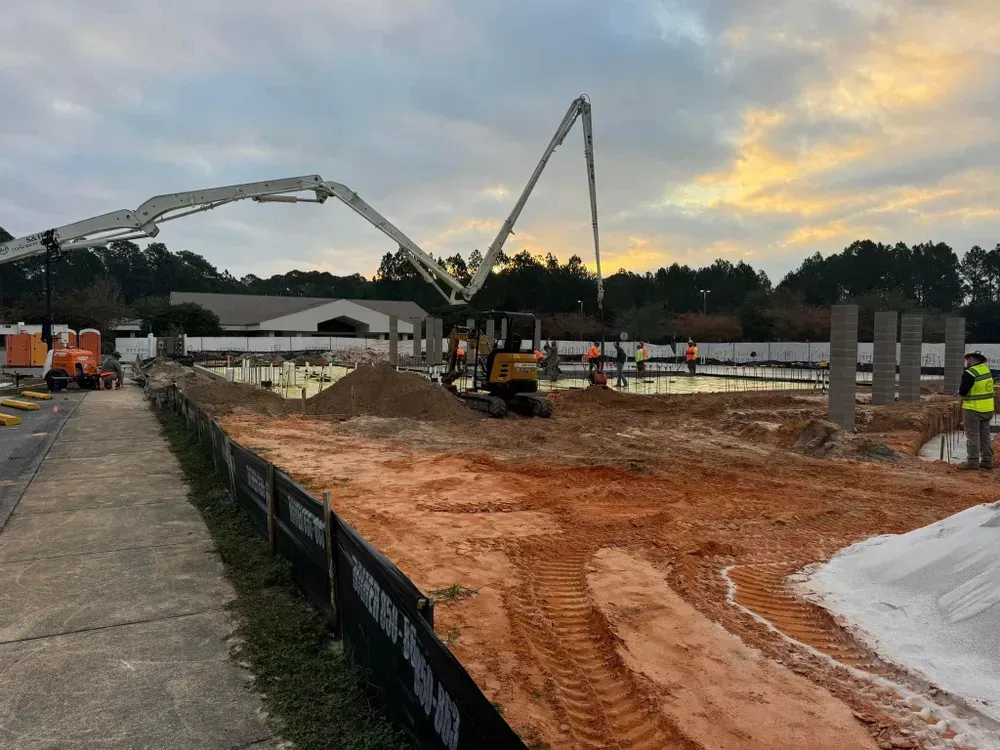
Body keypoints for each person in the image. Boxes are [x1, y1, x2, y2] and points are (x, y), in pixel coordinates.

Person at [957, 351, 994, 471]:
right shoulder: (986, 370)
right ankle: (987, 461)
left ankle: (972, 462)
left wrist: (961, 393)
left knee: (973, 436)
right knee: (985, 436)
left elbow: (963, 391)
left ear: (972, 359)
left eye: (967, 359)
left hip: (973, 409)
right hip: (988, 408)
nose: (966, 362)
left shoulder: (970, 373)